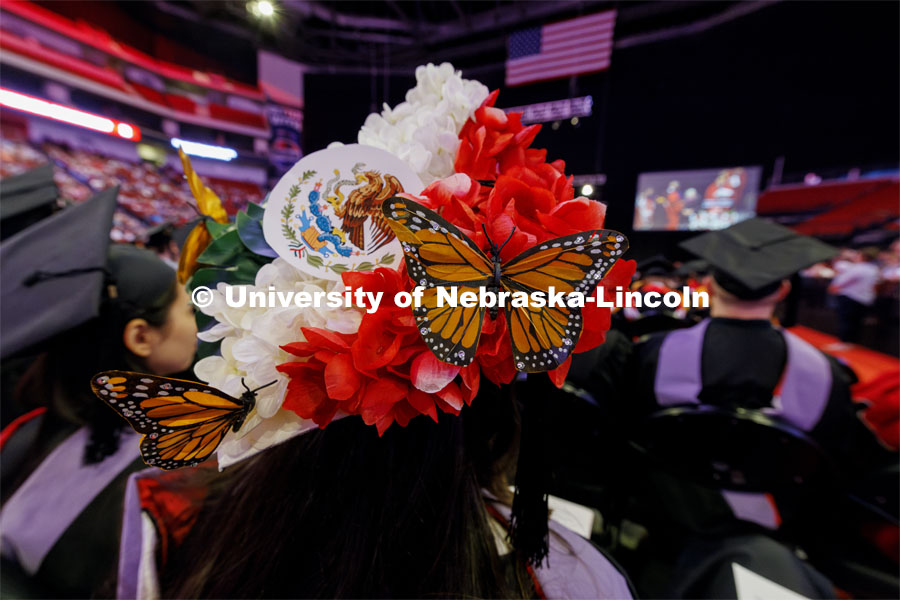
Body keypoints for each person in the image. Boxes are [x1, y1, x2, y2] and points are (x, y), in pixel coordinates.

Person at [0, 188, 198, 598]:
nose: (199, 324)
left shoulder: (25, 432)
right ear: (141, 337)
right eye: (189, 311)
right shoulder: (172, 479)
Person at [829, 247, 881, 344]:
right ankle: (851, 342)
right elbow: (876, 285)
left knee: (847, 320)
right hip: (865, 299)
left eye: (858, 254)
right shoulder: (874, 269)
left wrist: (834, 287)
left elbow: (841, 282)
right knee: (856, 322)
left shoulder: (858, 268)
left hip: (851, 297)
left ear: (863, 256)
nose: (856, 256)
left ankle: (844, 341)